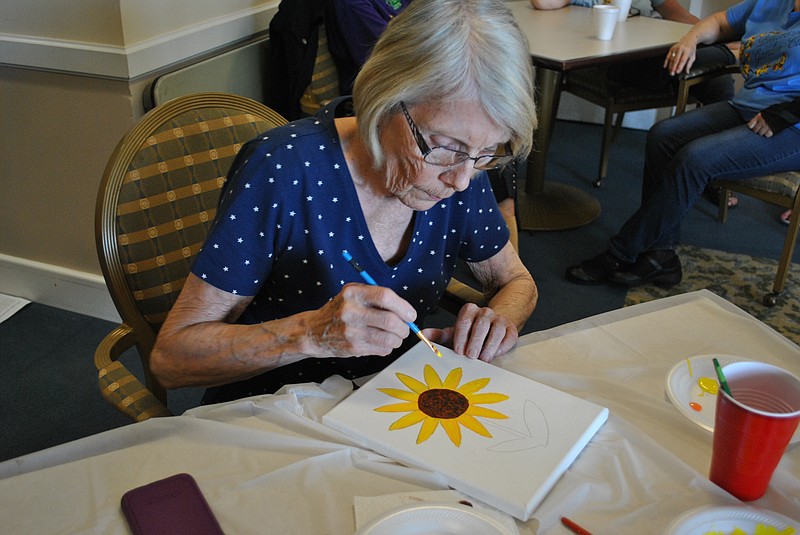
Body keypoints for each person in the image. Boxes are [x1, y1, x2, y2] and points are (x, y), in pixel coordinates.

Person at [150, 0, 539, 404]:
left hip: (388, 403)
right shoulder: (284, 170)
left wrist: (498, 323)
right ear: (385, 97)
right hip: (273, 411)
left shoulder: (464, 165)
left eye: (489, 151)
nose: (460, 180)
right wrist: (310, 334)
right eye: (442, 147)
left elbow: (515, 281)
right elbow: (171, 358)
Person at [565, 0, 800, 288]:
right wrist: (690, 40)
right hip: (752, 107)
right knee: (663, 136)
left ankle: (619, 252)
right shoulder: (773, 3)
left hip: (790, 126)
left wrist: (786, 114)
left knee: (695, 159)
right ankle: (660, 256)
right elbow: (721, 23)